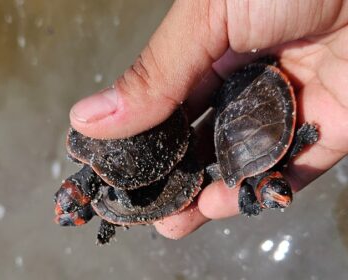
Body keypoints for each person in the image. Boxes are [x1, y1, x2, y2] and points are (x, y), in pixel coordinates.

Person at [68, 1, 348, 239]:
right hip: (225, 129)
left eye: (277, 193)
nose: (283, 196)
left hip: (226, 125)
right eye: (282, 191)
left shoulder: (241, 172)